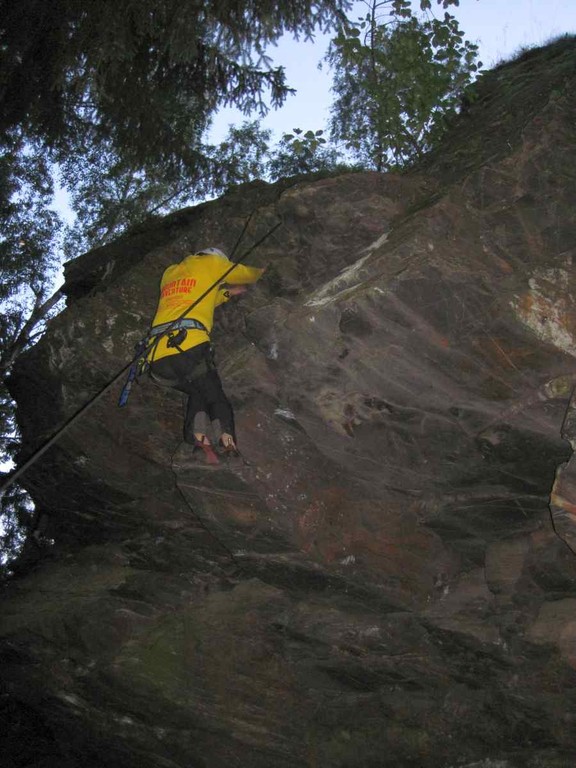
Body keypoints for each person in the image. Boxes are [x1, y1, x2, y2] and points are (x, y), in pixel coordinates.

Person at [147, 247, 264, 465]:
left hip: (156, 359)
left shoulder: (170, 273)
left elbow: (203, 294)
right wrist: (261, 272)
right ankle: (228, 444)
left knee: (198, 392)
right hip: (188, 347)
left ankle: (199, 442)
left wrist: (229, 292)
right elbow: (245, 274)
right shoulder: (212, 263)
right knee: (215, 396)